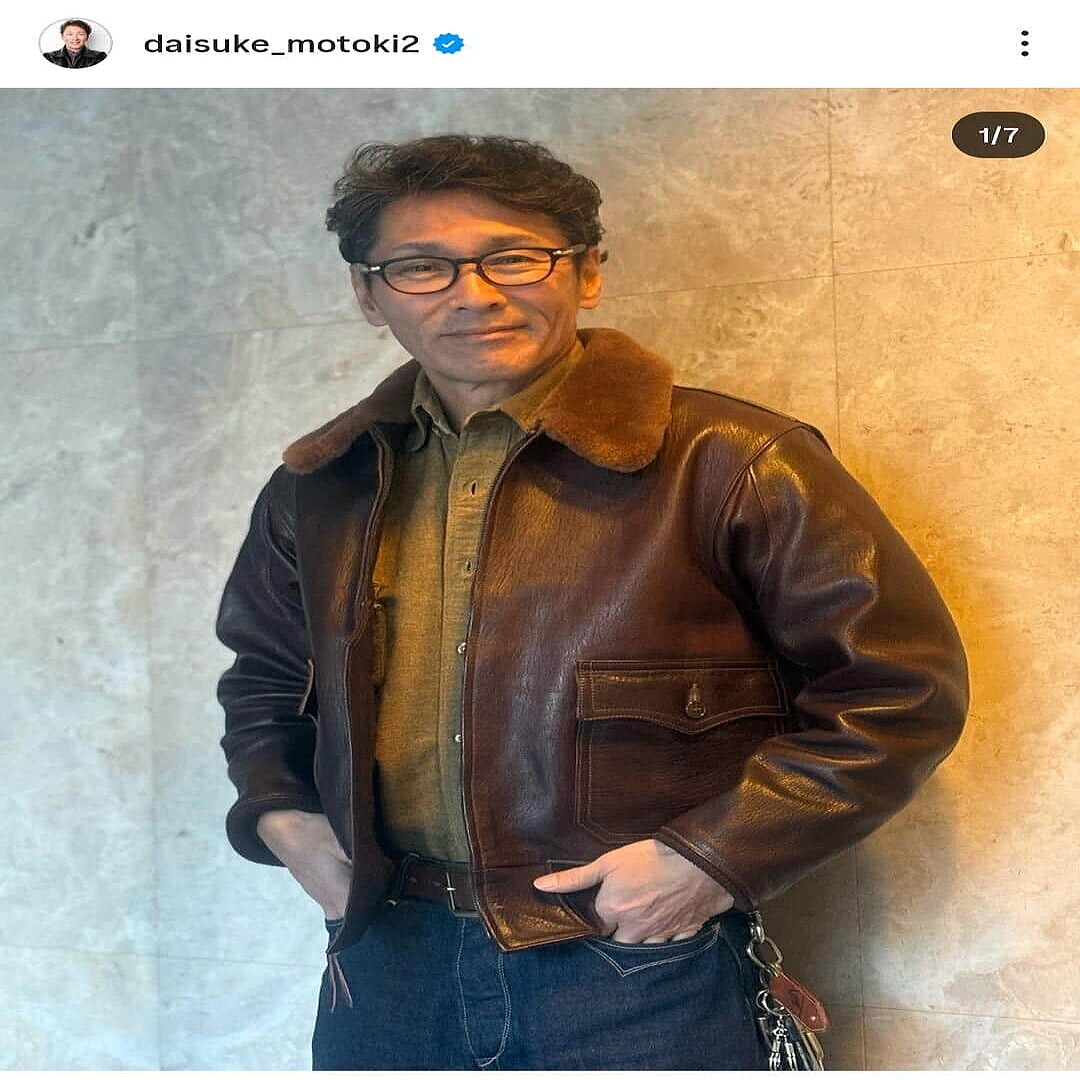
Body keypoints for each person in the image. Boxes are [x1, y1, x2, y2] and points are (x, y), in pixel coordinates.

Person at [216, 134, 968, 1070]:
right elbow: (266, 677)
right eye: (420, 266)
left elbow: (898, 690)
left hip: (635, 965)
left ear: (588, 272)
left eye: (514, 257)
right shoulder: (320, 485)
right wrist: (282, 816)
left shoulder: (730, 459)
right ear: (370, 295)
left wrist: (710, 858)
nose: (473, 293)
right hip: (385, 965)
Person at [42, 19, 107, 68]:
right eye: (70, 34)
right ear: (62, 37)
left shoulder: (99, 57)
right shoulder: (49, 57)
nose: (75, 38)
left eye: (80, 34)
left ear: (87, 37)